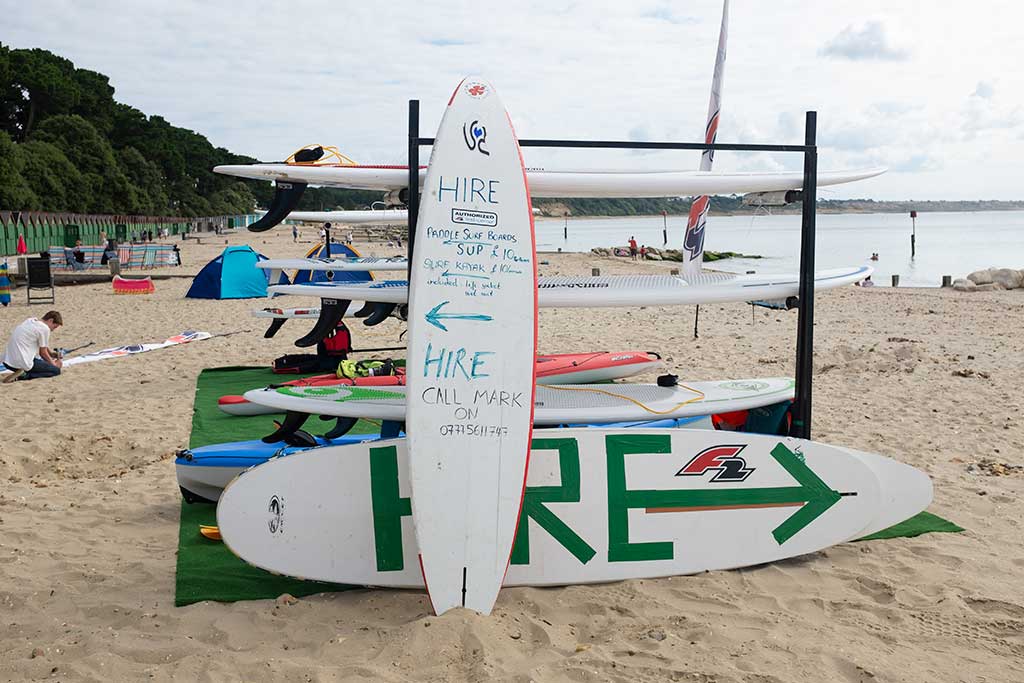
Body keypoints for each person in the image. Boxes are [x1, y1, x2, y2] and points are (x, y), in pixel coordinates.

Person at [2, 311, 63, 382]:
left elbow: (42, 344)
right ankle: (23, 376)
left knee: (42, 363)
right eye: (54, 327)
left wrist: (51, 354)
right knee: (56, 371)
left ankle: (21, 373)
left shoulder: (30, 321)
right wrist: (54, 364)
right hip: (21, 363)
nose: (52, 330)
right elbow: (42, 353)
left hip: (7, 361)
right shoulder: (44, 328)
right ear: (50, 320)